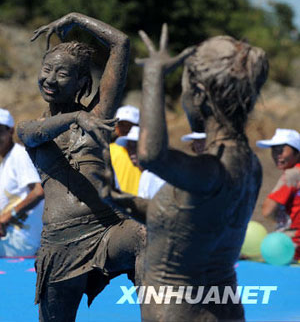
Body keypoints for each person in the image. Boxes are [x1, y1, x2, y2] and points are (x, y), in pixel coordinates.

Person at [105, 27, 268, 320]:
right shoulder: (248, 163)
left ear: (200, 94)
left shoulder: (212, 168)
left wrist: (153, 75)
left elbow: (152, 156)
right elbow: (190, 223)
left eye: (184, 91)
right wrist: (123, 200)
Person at [17, 13, 146, 321]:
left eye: (62, 73)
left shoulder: (99, 114)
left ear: (82, 83)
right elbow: (35, 135)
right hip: (60, 244)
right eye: (46, 69)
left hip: (108, 229)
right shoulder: (30, 127)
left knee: (146, 236)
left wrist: (75, 19)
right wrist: (75, 118)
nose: (50, 78)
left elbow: (121, 43)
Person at [0, 107, 44, 257]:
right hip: (11, 236)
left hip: (21, 238)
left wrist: (10, 214)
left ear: (10, 131)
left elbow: (38, 191)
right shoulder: (7, 160)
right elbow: (3, 204)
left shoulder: (19, 155)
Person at [257, 128, 300, 259]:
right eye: (274, 150)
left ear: (297, 151)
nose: (277, 155)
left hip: (291, 246)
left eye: (281, 150)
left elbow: (267, 210)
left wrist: (281, 219)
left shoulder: (292, 175)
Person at [116, 126, 165, 199]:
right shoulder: (147, 174)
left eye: (135, 145)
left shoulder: (152, 175)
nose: (131, 151)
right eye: (128, 146)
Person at [109, 105, 142, 195]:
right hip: (118, 203)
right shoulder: (107, 151)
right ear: (116, 127)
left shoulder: (148, 152)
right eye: (121, 124)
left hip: (144, 202)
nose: (125, 128)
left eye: (130, 125)